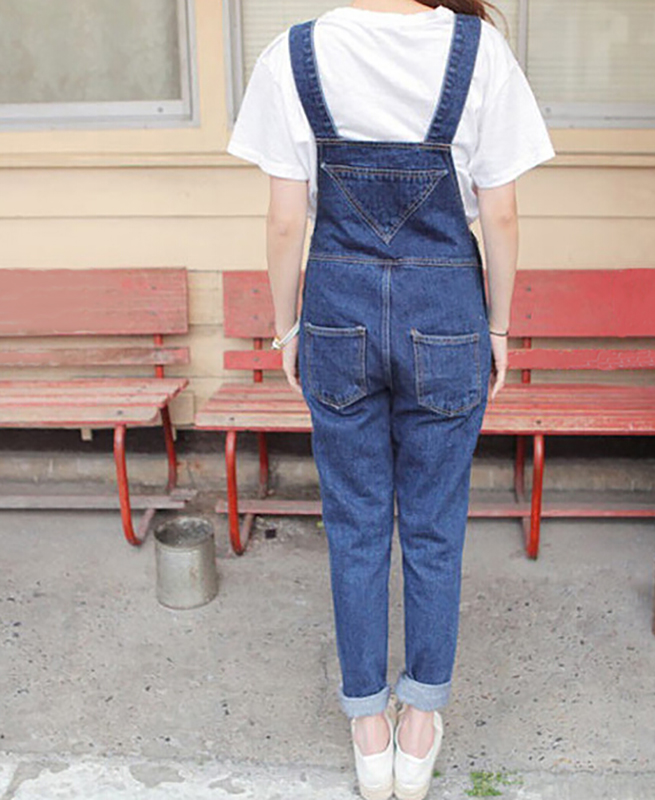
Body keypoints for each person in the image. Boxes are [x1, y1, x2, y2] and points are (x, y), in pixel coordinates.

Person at [227, 1, 554, 797]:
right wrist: (498, 329)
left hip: (336, 310)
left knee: (356, 524)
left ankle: (368, 730)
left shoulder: (293, 54)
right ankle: (419, 725)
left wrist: (287, 327)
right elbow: (502, 211)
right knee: (435, 526)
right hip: (447, 315)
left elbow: (285, 223)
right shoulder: (479, 52)